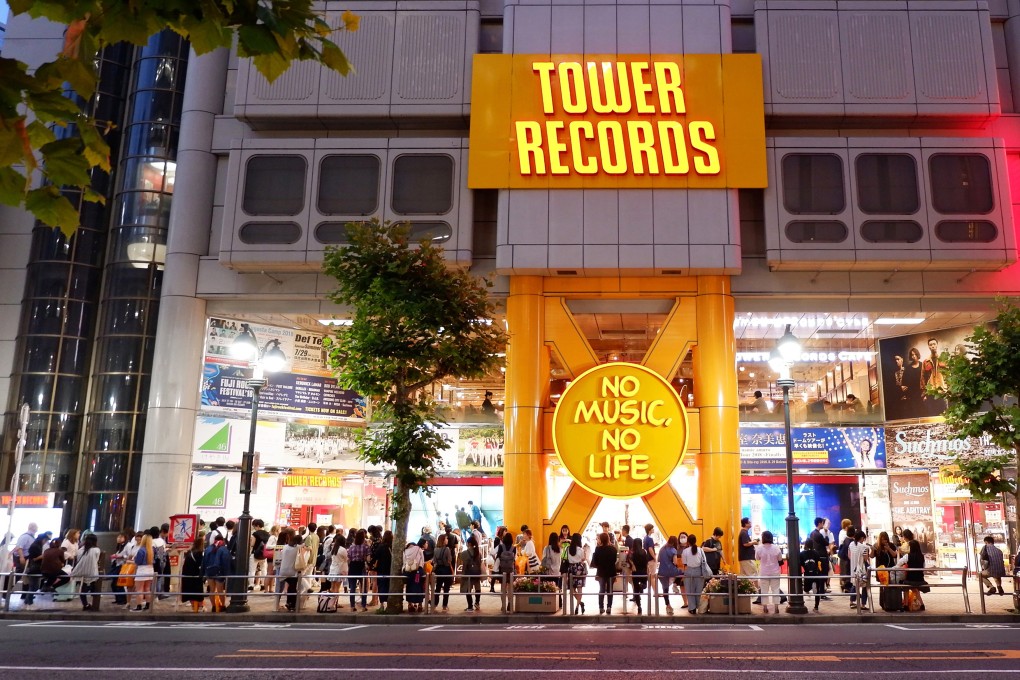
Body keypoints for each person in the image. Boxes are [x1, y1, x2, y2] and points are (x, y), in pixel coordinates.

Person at [70, 533, 103, 611]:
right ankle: (94, 602)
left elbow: (77, 559)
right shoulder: (96, 550)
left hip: (81, 570)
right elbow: (97, 560)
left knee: (83, 588)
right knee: (93, 587)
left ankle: (85, 605)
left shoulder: (81, 550)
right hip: (92, 572)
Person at [755, 531, 782, 614]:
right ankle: (776, 607)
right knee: (775, 589)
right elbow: (780, 559)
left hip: (764, 572)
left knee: (764, 590)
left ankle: (765, 607)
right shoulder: (776, 548)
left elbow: (757, 558)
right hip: (775, 571)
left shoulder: (759, 548)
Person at [681, 533, 709, 615]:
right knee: (698, 590)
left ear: (688, 542)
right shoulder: (700, 550)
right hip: (699, 572)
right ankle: (698, 606)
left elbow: (684, 562)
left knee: (690, 590)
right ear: (696, 541)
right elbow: (704, 561)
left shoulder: (685, 551)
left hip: (689, 571)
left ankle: (692, 608)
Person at [202, 534, 231, 613]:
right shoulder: (223, 549)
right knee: (220, 590)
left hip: (209, 571)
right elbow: (226, 562)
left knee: (212, 590)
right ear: (223, 540)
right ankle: (222, 606)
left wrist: (204, 572)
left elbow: (204, 561)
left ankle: (214, 607)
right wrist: (226, 573)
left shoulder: (208, 548)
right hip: (219, 572)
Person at [591, 531, 617, 615]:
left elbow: (595, 562)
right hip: (611, 572)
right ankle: (609, 607)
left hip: (601, 572)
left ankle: (601, 607)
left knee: (601, 589)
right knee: (610, 590)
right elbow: (614, 561)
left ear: (601, 540)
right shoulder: (613, 549)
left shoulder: (598, 549)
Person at [899, 539, 927, 611]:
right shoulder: (922, 556)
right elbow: (924, 568)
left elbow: (899, 563)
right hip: (920, 579)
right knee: (915, 588)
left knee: (906, 587)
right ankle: (922, 604)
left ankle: (905, 605)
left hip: (910, 579)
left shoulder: (907, 556)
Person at [278, 533, 303, 612]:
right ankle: (292, 604)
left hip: (283, 570)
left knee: (286, 587)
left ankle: (288, 603)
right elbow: (306, 546)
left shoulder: (285, 547)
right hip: (292, 571)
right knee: (293, 588)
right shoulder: (297, 548)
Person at [180, 535, 205, 613]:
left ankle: (193, 606)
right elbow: (200, 564)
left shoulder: (190, 552)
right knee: (198, 590)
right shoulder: (199, 553)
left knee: (189, 590)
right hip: (196, 574)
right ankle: (200, 606)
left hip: (187, 574)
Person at [657, 535, 681, 615]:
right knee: (683, 573)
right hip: (671, 571)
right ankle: (675, 584)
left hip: (662, 572)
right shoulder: (673, 550)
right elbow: (675, 562)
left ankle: (668, 605)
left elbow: (658, 560)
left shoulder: (662, 549)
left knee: (665, 589)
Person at [347, 529, 370, 612]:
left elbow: (348, 558)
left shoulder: (351, 547)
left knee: (352, 587)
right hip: (361, 567)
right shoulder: (365, 547)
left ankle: (352, 606)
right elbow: (368, 558)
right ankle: (363, 605)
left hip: (353, 567)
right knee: (364, 587)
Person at [131, 533, 155, 612]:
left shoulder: (141, 550)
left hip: (142, 570)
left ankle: (139, 606)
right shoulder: (152, 549)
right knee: (147, 589)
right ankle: (148, 605)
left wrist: (133, 559)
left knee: (139, 589)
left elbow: (137, 561)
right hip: (150, 569)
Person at [565, 532, 588, 615]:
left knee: (572, 589)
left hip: (571, 569)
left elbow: (567, 558)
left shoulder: (568, 549)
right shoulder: (581, 550)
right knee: (580, 588)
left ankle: (580, 603)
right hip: (579, 569)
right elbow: (583, 559)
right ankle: (578, 605)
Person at [848, 530, 871, 609]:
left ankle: (852, 602)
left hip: (853, 569)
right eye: (863, 539)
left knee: (855, 585)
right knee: (864, 586)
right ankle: (863, 604)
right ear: (861, 538)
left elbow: (849, 556)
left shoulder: (851, 544)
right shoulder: (864, 547)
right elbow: (866, 559)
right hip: (861, 569)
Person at [808, 517, 832, 596]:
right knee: (823, 574)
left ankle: (820, 591)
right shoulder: (819, 534)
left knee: (819, 574)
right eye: (822, 523)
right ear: (819, 523)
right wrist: (826, 534)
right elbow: (826, 543)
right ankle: (821, 592)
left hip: (816, 557)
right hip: (822, 557)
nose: (823, 524)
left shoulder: (812, 533)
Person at [494, 532, 517, 613]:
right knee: (510, 588)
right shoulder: (513, 548)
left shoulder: (501, 546)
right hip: (511, 571)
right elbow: (515, 559)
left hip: (502, 570)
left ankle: (503, 605)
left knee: (503, 589)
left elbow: (498, 558)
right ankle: (510, 604)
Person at [432, 533, 455, 612]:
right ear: (443, 540)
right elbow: (449, 560)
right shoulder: (447, 549)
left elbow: (434, 561)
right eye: (446, 539)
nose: (447, 540)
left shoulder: (435, 549)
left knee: (437, 588)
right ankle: (444, 606)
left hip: (438, 570)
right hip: (446, 570)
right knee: (446, 589)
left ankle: (434, 604)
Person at [459, 536, 483, 611]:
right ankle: (477, 603)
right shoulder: (478, 553)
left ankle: (470, 606)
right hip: (477, 573)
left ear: (469, 543)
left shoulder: (465, 553)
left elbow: (460, 556)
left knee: (468, 590)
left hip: (468, 573)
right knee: (478, 588)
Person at [403, 539, 427, 613]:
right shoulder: (418, 549)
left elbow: (404, 562)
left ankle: (410, 605)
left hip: (408, 571)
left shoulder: (405, 550)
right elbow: (422, 561)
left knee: (409, 587)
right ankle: (420, 605)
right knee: (419, 587)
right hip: (418, 572)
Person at [799, 539, 823, 612]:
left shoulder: (802, 554)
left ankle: (809, 589)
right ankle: (816, 607)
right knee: (817, 591)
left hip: (807, 574)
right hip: (815, 573)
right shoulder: (816, 553)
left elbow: (801, 564)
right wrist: (820, 571)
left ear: (805, 544)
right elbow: (819, 563)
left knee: (806, 588)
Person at [372, 530, 393, 608]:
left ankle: (381, 604)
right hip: (391, 569)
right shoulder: (393, 546)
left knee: (381, 585)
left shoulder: (381, 546)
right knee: (389, 586)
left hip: (381, 569)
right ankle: (388, 603)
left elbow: (376, 557)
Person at [628, 539, 649, 614]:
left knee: (636, 590)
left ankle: (639, 606)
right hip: (643, 572)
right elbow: (647, 562)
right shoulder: (644, 551)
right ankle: (642, 586)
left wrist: (633, 565)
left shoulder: (632, 552)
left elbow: (629, 559)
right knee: (645, 585)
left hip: (635, 572)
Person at [328, 535, 349, 604]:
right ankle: (335, 603)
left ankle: (331, 602)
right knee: (337, 587)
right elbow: (346, 559)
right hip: (340, 570)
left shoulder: (334, 548)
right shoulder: (343, 549)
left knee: (332, 587)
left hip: (333, 569)